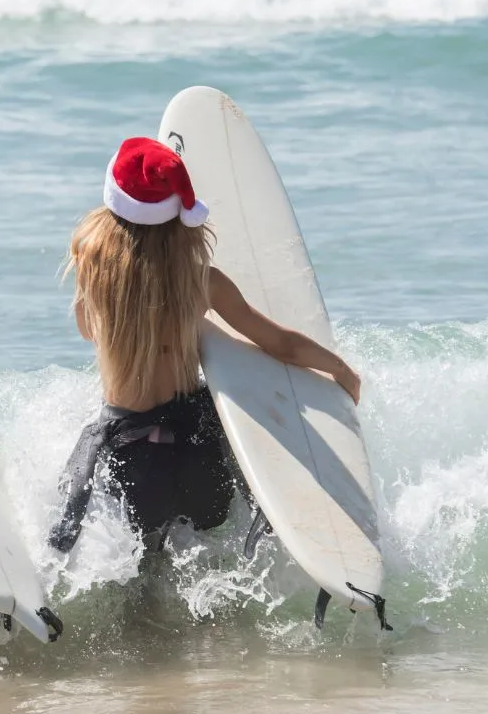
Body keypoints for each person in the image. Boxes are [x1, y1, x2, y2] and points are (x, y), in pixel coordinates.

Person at [46, 139, 361, 554]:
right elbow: (280, 343)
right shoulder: (200, 282)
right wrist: (339, 369)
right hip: (197, 453)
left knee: (146, 562)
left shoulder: (93, 269)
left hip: (132, 456)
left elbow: (88, 330)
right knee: (205, 555)